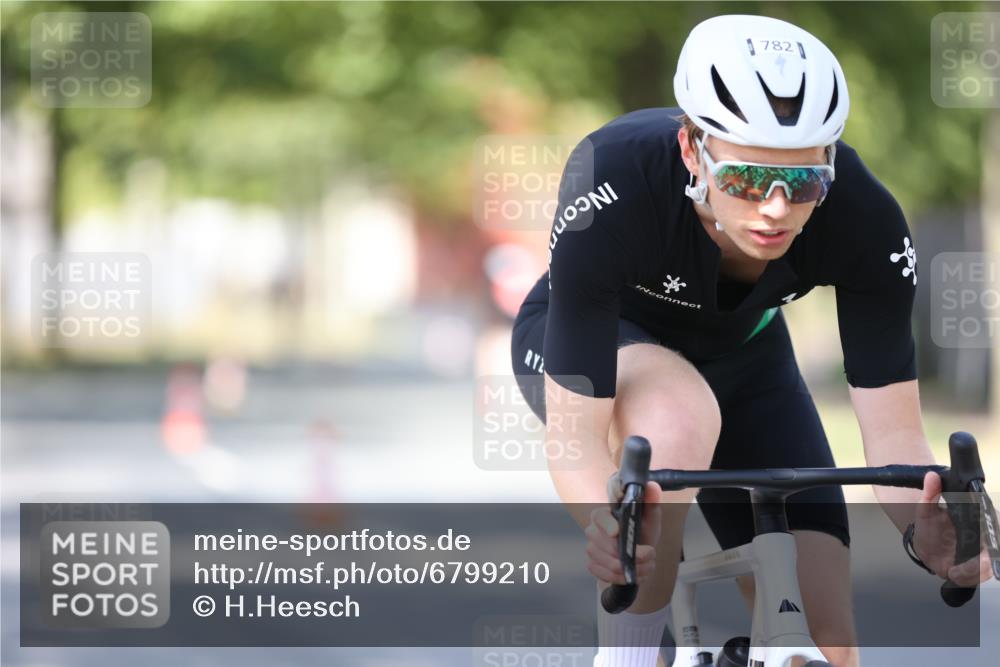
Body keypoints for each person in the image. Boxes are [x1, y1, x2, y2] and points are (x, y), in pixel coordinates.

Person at [510, 14, 993, 667]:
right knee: (676, 419)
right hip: (604, 343)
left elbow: (897, 439)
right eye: (745, 179)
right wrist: (608, 523)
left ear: (829, 166)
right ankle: (629, 655)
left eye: (803, 182)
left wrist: (926, 530)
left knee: (824, 643)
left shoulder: (864, 219)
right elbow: (575, 442)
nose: (775, 208)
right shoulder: (614, 179)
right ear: (692, 150)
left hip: (747, 361)